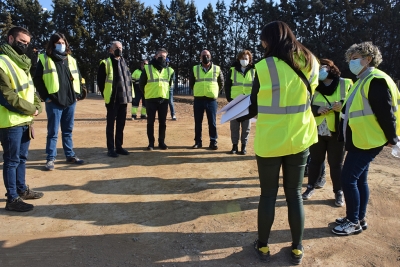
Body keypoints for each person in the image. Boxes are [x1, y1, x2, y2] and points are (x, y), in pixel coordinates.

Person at [237, 21, 319, 264]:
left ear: (270, 40)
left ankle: (262, 246)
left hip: (270, 141)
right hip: (300, 138)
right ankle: (297, 248)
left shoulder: (263, 67)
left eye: (263, 40)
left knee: (268, 195)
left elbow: (252, 107)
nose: (261, 44)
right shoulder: (312, 62)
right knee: (294, 194)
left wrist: (234, 113)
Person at [332, 42, 399, 236]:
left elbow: (386, 114)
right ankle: (358, 218)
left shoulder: (375, 80)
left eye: (355, 58)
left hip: (368, 140)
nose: (351, 62)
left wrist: (392, 138)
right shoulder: (362, 79)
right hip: (361, 138)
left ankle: (353, 222)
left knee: (348, 179)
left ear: (368, 59)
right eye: (350, 59)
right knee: (360, 179)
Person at [0, 26, 44, 211]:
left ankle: (21, 189)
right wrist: (31, 109)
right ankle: (12, 199)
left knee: (22, 158)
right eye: (21, 42)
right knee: (11, 161)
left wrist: (37, 107)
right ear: (10, 39)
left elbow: (31, 90)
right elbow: (7, 96)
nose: (24, 45)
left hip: (24, 121)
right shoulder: (2, 62)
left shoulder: (22, 63)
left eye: (27, 43)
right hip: (10, 122)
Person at [302, 59, 353, 206]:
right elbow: (305, 105)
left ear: (332, 68)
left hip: (336, 132)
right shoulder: (313, 85)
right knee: (315, 161)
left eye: (324, 67)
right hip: (317, 130)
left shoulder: (345, 83)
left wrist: (342, 107)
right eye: (319, 68)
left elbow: (354, 103)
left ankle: (339, 192)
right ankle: (310, 187)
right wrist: (316, 110)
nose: (321, 70)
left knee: (336, 164)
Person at [34, 32, 84, 171]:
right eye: (58, 43)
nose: (61, 45)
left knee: (68, 130)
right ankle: (50, 159)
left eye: (63, 43)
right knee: (53, 132)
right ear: (53, 44)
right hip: (54, 102)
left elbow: (79, 77)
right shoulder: (44, 58)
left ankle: (70, 155)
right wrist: (46, 97)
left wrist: (78, 94)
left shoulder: (71, 59)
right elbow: (37, 79)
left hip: (70, 101)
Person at [97, 41, 133, 157]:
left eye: (121, 47)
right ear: (111, 50)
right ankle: (110, 149)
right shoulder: (105, 63)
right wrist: (106, 95)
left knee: (121, 124)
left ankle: (119, 146)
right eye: (116, 47)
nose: (119, 49)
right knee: (111, 124)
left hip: (123, 99)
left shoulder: (124, 62)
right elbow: (101, 82)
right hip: (112, 99)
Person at [139, 48, 174, 150]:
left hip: (163, 99)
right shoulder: (147, 68)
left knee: (162, 122)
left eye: (164, 56)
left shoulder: (169, 70)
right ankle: (151, 143)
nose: (162, 58)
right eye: (160, 56)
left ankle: (161, 142)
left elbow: (170, 84)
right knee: (150, 122)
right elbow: (142, 84)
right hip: (150, 99)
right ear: (155, 56)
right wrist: (147, 94)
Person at [189, 50, 224, 150]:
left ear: (211, 56)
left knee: (212, 122)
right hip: (198, 99)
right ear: (200, 57)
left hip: (211, 100)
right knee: (198, 122)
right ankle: (198, 142)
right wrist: (197, 90)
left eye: (207, 55)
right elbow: (192, 83)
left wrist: (215, 91)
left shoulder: (217, 69)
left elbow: (221, 82)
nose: (205, 57)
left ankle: (213, 142)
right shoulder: (195, 69)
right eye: (203, 55)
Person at [225, 50, 255, 155]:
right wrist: (229, 98)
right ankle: (234, 147)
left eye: (246, 59)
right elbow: (227, 84)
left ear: (250, 60)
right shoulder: (232, 70)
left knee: (246, 126)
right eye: (242, 58)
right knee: (234, 126)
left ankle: (243, 147)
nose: (244, 60)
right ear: (238, 59)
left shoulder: (254, 71)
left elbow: (256, 86)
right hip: (235, 101)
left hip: (248, 102)